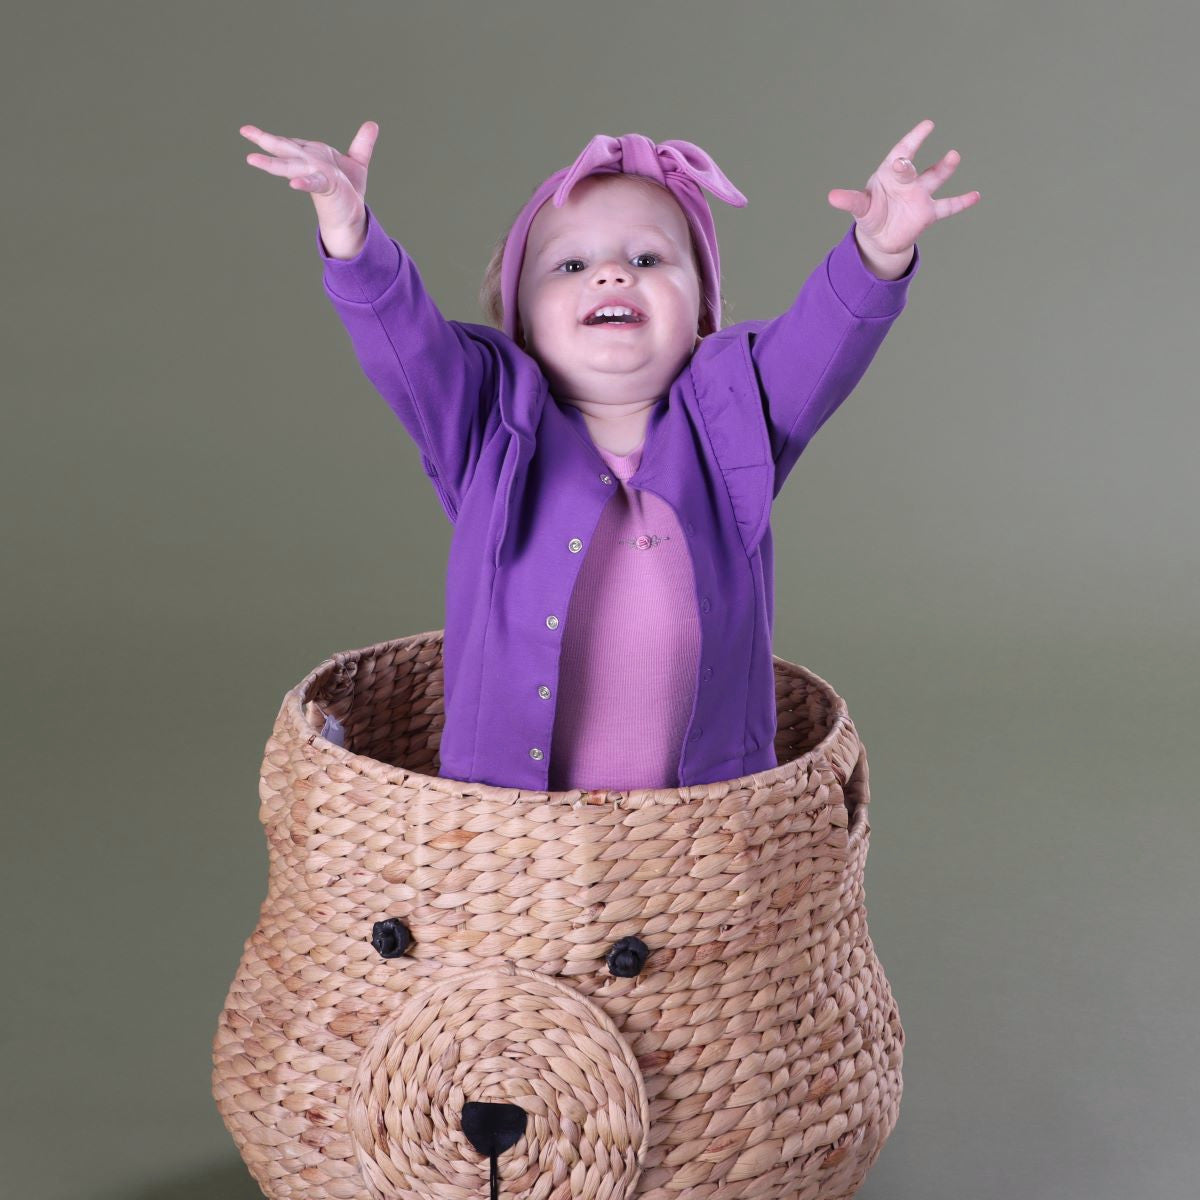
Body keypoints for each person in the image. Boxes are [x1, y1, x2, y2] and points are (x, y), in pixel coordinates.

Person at [239, 121, 978, 793]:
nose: (612, 274)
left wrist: (877, 252)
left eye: (649, 257)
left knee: (711, 941)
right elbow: (406, 344)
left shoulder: (734, 415)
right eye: (569, 266)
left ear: (702, 316)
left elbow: (824, 343)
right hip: (512, 819)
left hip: (707, 817)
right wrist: (350, 231)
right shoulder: (488, 422)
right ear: (520, 324)